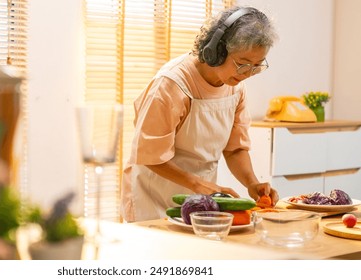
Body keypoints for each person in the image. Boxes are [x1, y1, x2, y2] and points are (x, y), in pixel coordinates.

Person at [120, 6, 280, 222]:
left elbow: (234, 150)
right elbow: (150, 155)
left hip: (200, 199)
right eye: (242, 64)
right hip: (152, 198)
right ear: (216, 51)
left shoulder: (235, 86)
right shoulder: (171, 86)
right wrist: (197, 183)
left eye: (256, 66)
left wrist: (252, 183)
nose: (248, 74)